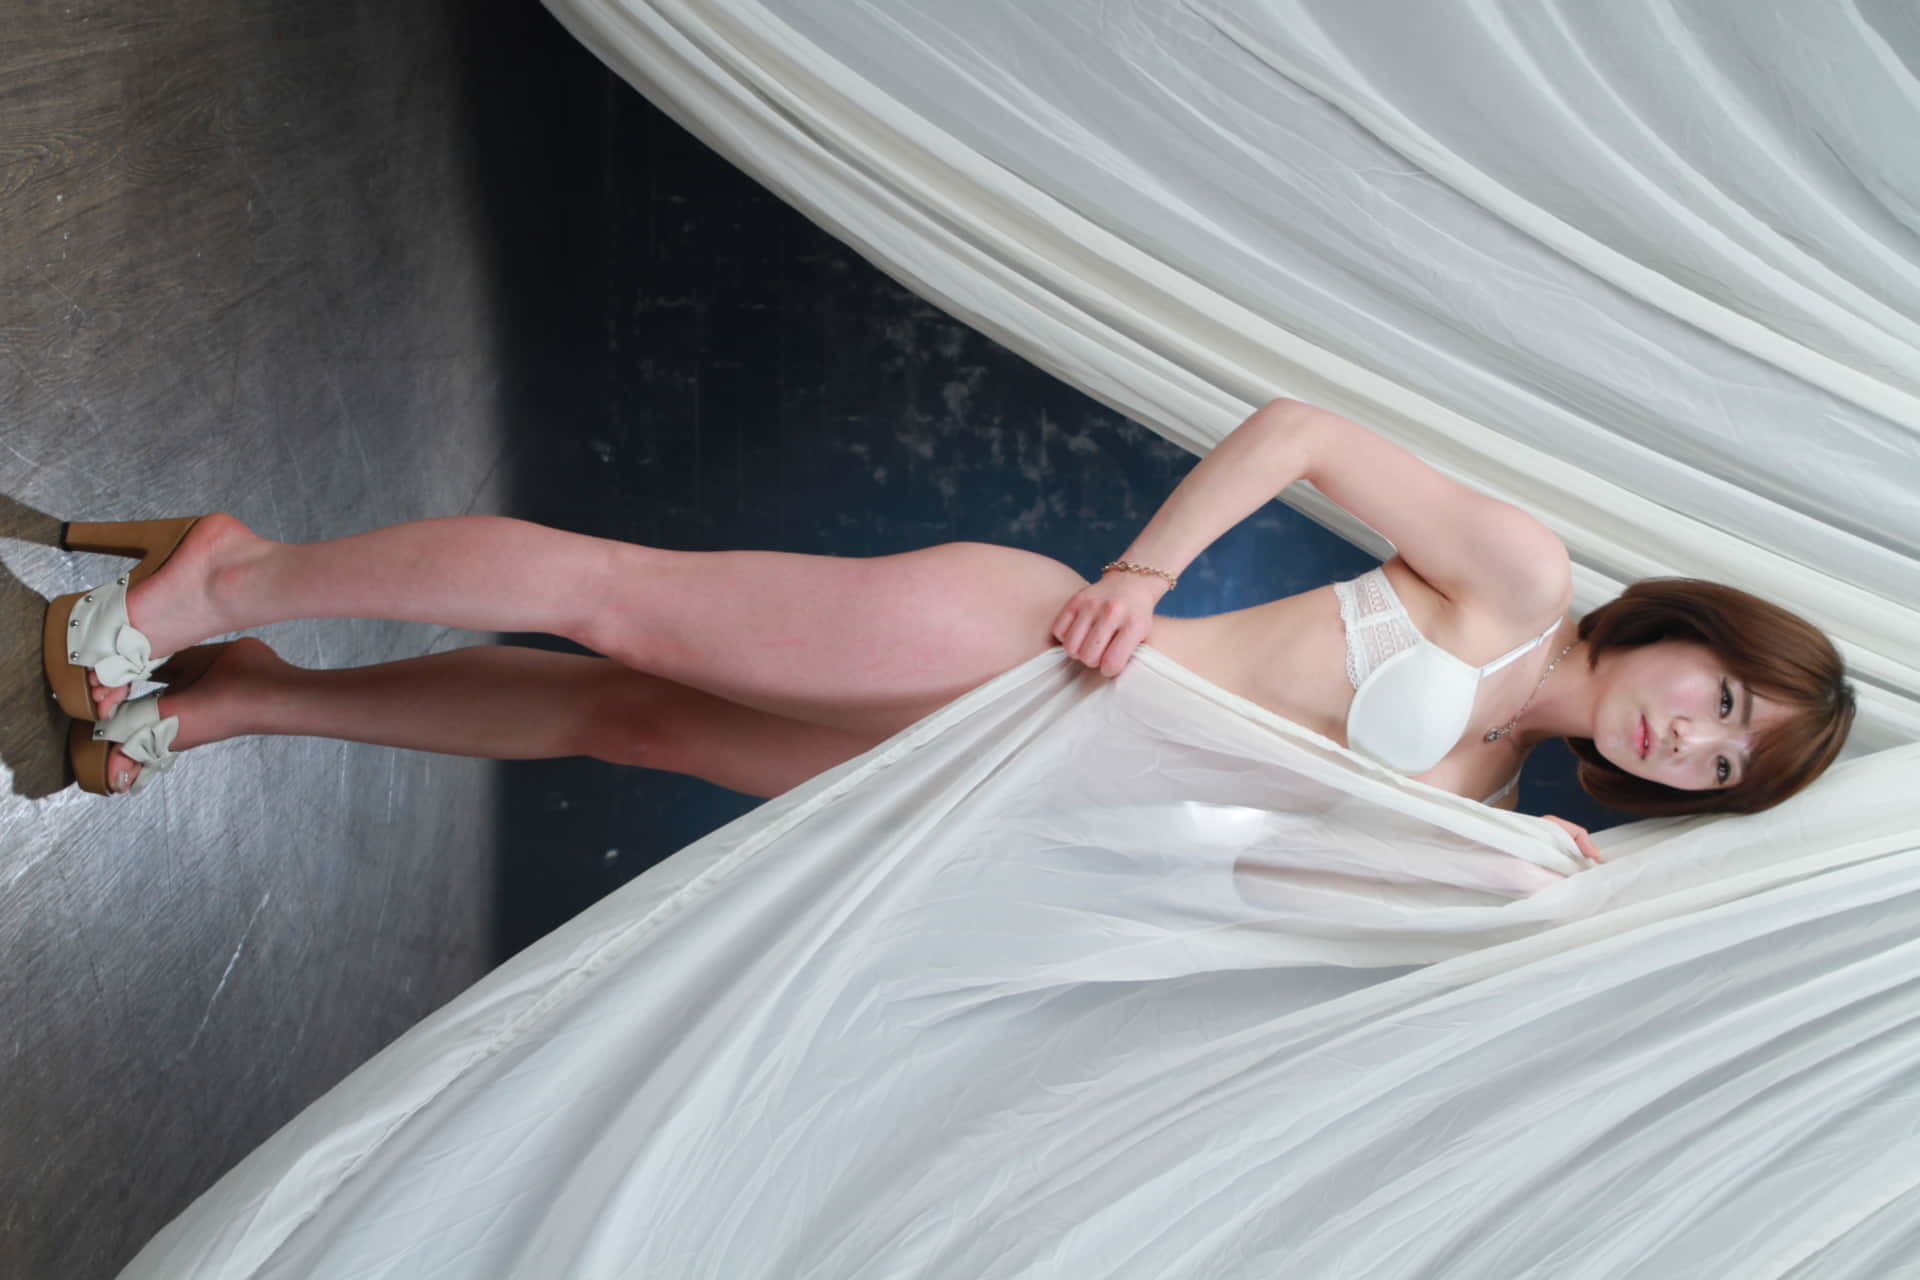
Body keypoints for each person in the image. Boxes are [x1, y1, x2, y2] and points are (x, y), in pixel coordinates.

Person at [45, 399, 1853, 856]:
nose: (1689, 738)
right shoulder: (1522, 581)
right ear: (1697, 633)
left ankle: (247, 702)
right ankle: (226, 582)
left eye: (1721, 765)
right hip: (1019, 648)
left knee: (624, 720)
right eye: (1723, 698)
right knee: (621, 603)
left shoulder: (1485, 808)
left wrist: (1510, 878)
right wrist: (1143, 573)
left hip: (992, 776)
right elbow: (1303, 430)